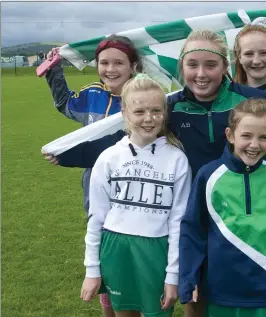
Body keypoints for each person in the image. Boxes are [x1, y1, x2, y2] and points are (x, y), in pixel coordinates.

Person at [42, 29, 266, 317]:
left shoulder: (253, 103)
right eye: (192, 65)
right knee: (192, 298)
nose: (201, 73)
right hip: (187, 221)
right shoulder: (171, 105)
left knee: (225, 298)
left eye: (211, 64)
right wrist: (70, 153)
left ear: (225, 67)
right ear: (182, 67)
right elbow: (126, 134)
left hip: (238, 221)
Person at [179, 98, 266, 317]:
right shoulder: (209, 175)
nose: (254, 145)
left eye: (263, 137)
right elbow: (193, 231)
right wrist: (189, 277)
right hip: (222, 289)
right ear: (230, 136)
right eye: (246, 136)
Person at [45, 35, 143, 317]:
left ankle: (137, 302)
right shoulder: (92, 95)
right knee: (104, 252)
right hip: (97, 190)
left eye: (118, 63)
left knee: (134, 249)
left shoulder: (143, 96)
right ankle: (110, 306)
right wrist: (54, 70)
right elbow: (65, 103)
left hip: (135, 189)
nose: (110, 69)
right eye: (104, 63)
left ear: (132, 65)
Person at [80, 74, 192, 317]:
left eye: (156, 110)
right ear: (125, 112)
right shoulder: (109, 157)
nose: (149, 118)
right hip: (116, 250)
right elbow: (96, 218)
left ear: (165, 113)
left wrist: (173, 275)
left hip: (157, 251)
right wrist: (92, 270)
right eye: (140, 111)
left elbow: (177, 222)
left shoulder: (177, 159)